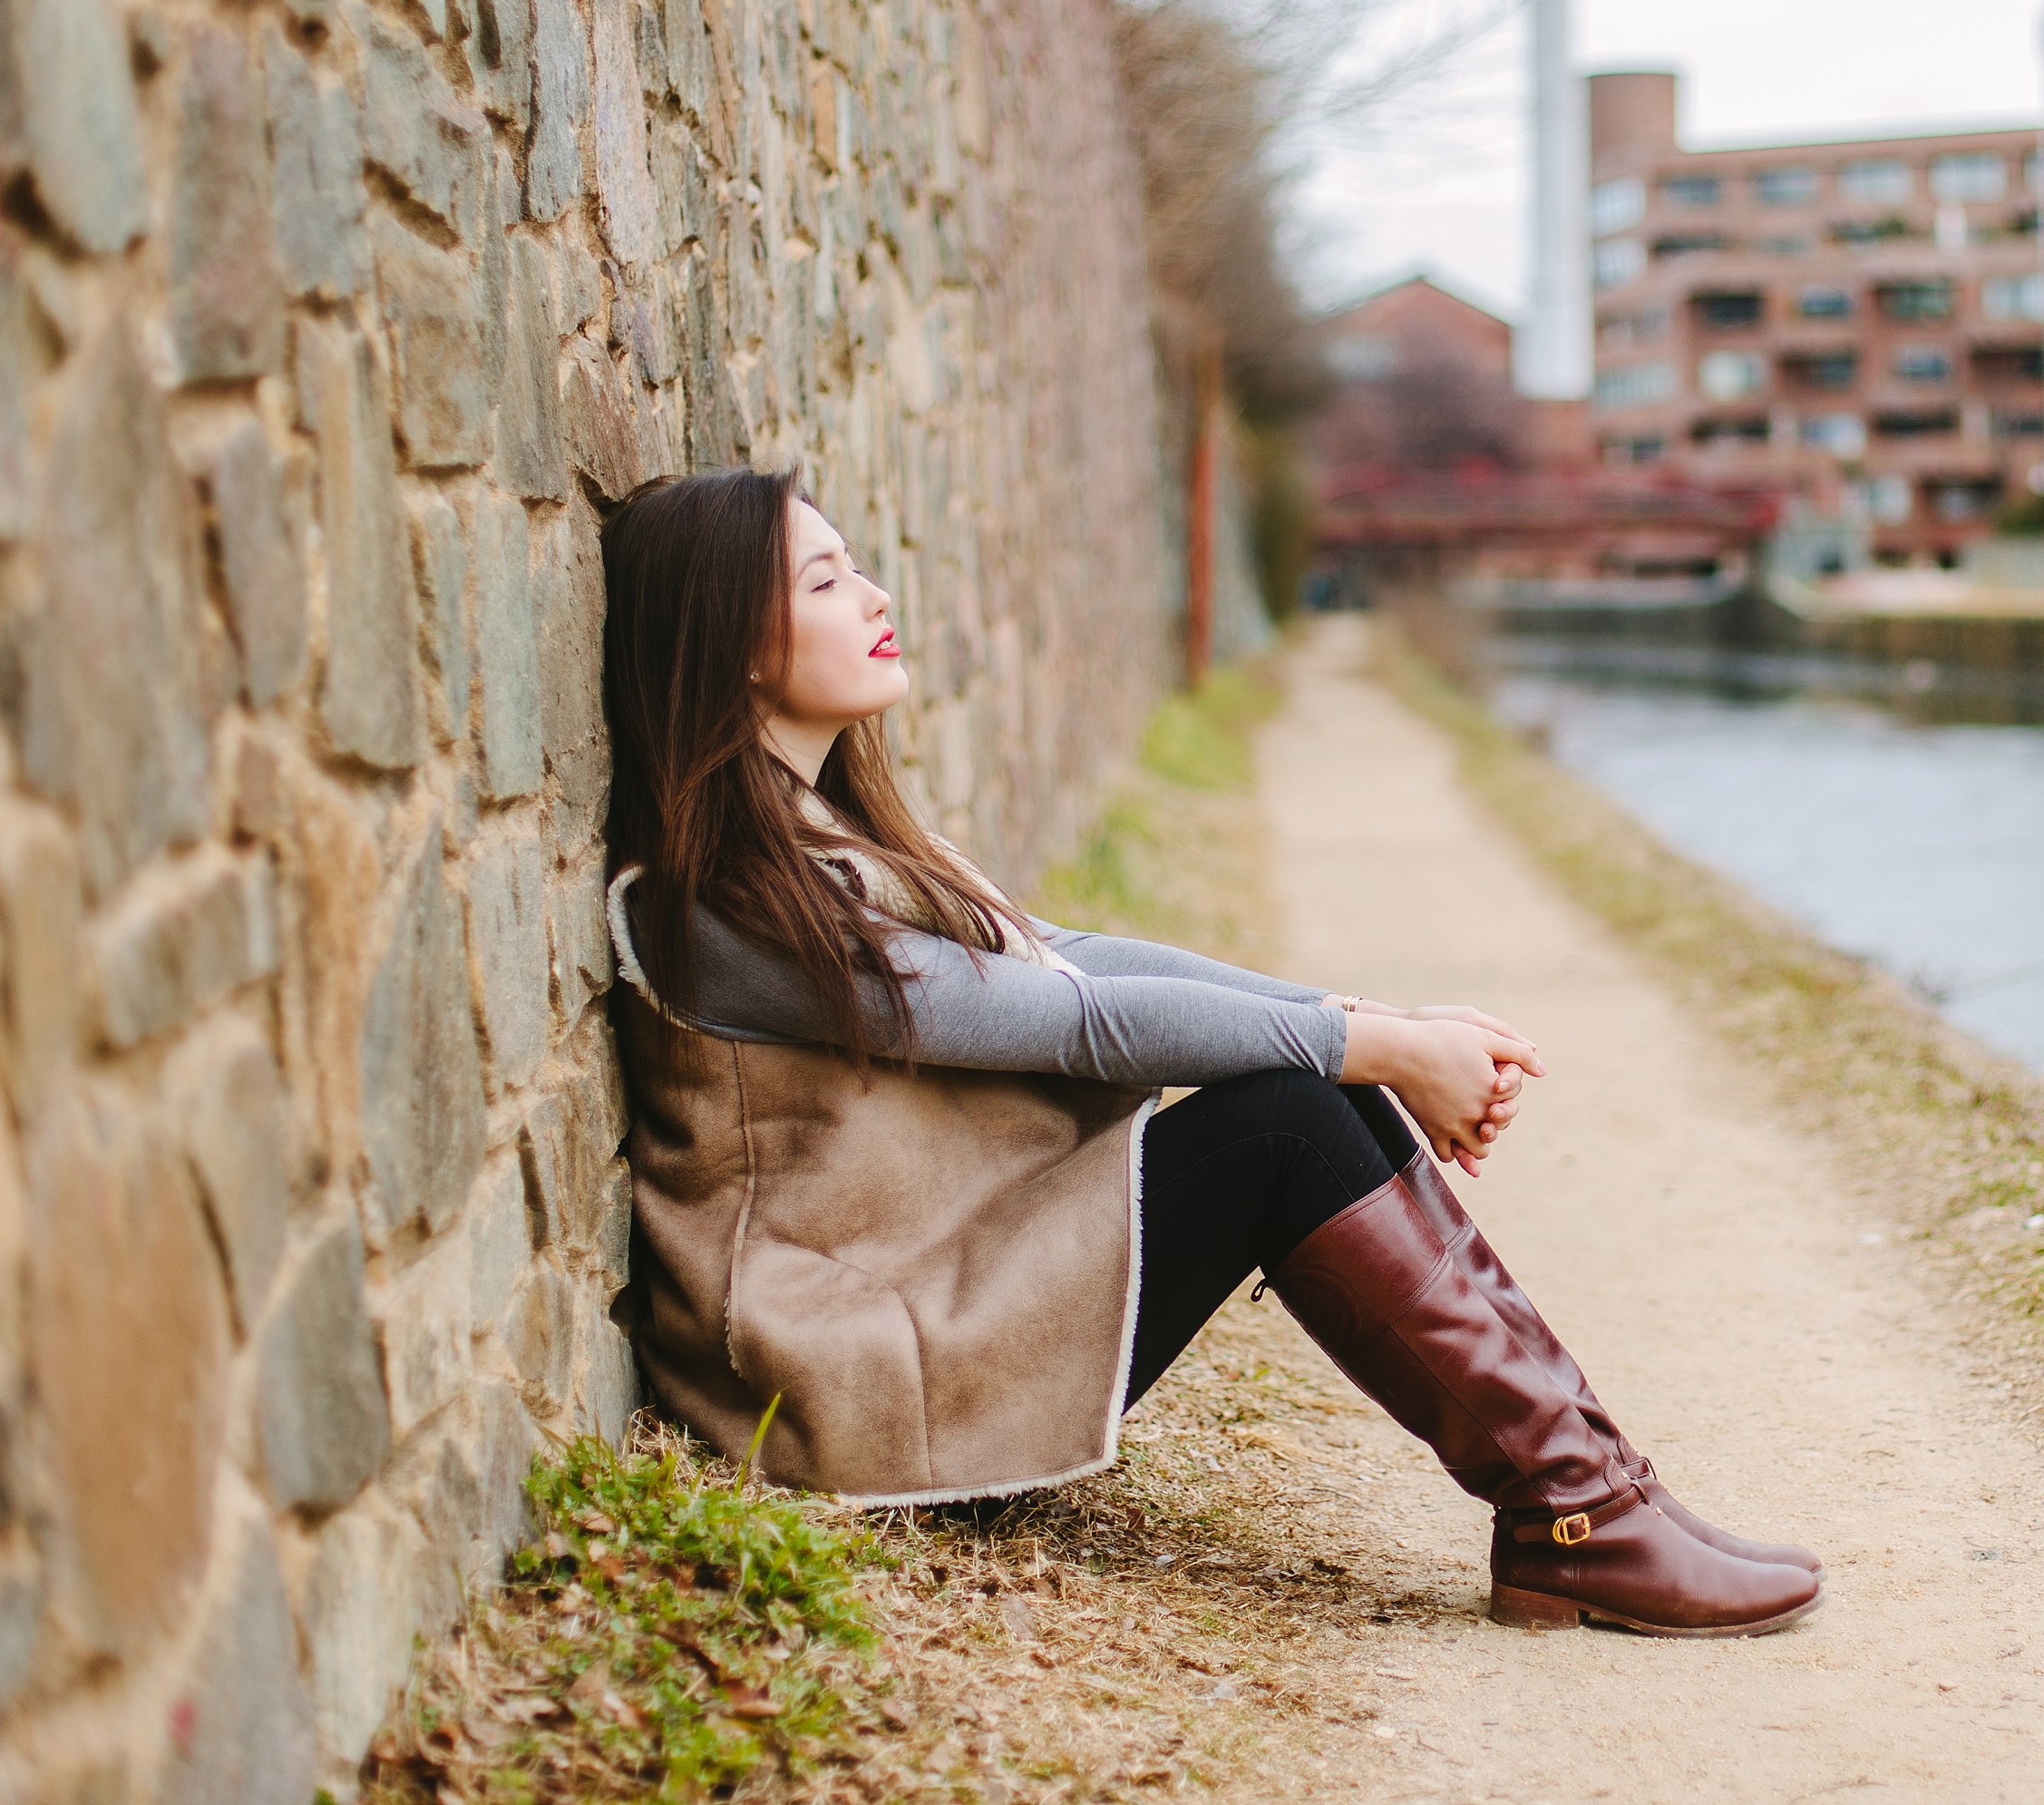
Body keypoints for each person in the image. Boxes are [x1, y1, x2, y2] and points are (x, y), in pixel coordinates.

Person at [597, 467, 1822, 1637]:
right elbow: (1072, 1023)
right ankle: (1582, 1513)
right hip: (845, 1391)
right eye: (823, 582)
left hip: (936, 1312)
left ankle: (1595, 1499)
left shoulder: (834, 845)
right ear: (735, 643)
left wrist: (1368, 1026)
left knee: (1306, 1083)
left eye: (857, 569)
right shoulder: (726, 906)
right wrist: (1375, 1043)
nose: (873, 597)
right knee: (1285, 1115)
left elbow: (1073, 959)